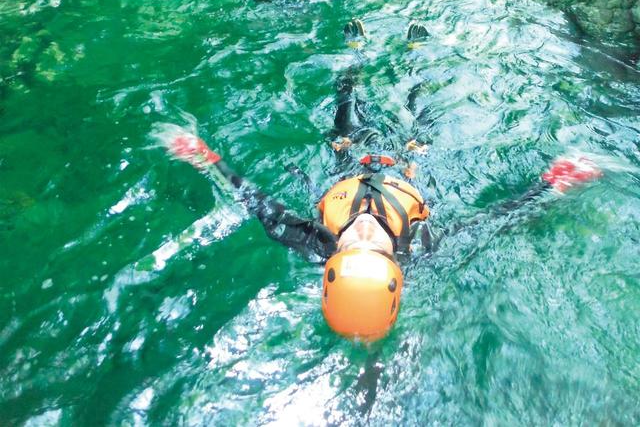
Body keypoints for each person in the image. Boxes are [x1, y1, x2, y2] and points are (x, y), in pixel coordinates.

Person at [166, 27, 602, 342]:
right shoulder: (423, 248)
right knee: (422, 113)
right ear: (396, 266)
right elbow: (496, 220)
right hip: (408, 164)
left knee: (346, 103)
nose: (363, 232)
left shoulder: (312, 242)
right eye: (375, 247)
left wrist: (207, 159)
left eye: (351, 246)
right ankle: (416, 57)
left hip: (349, 157)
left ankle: (353, 54)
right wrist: (551, 185)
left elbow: (256, 202)